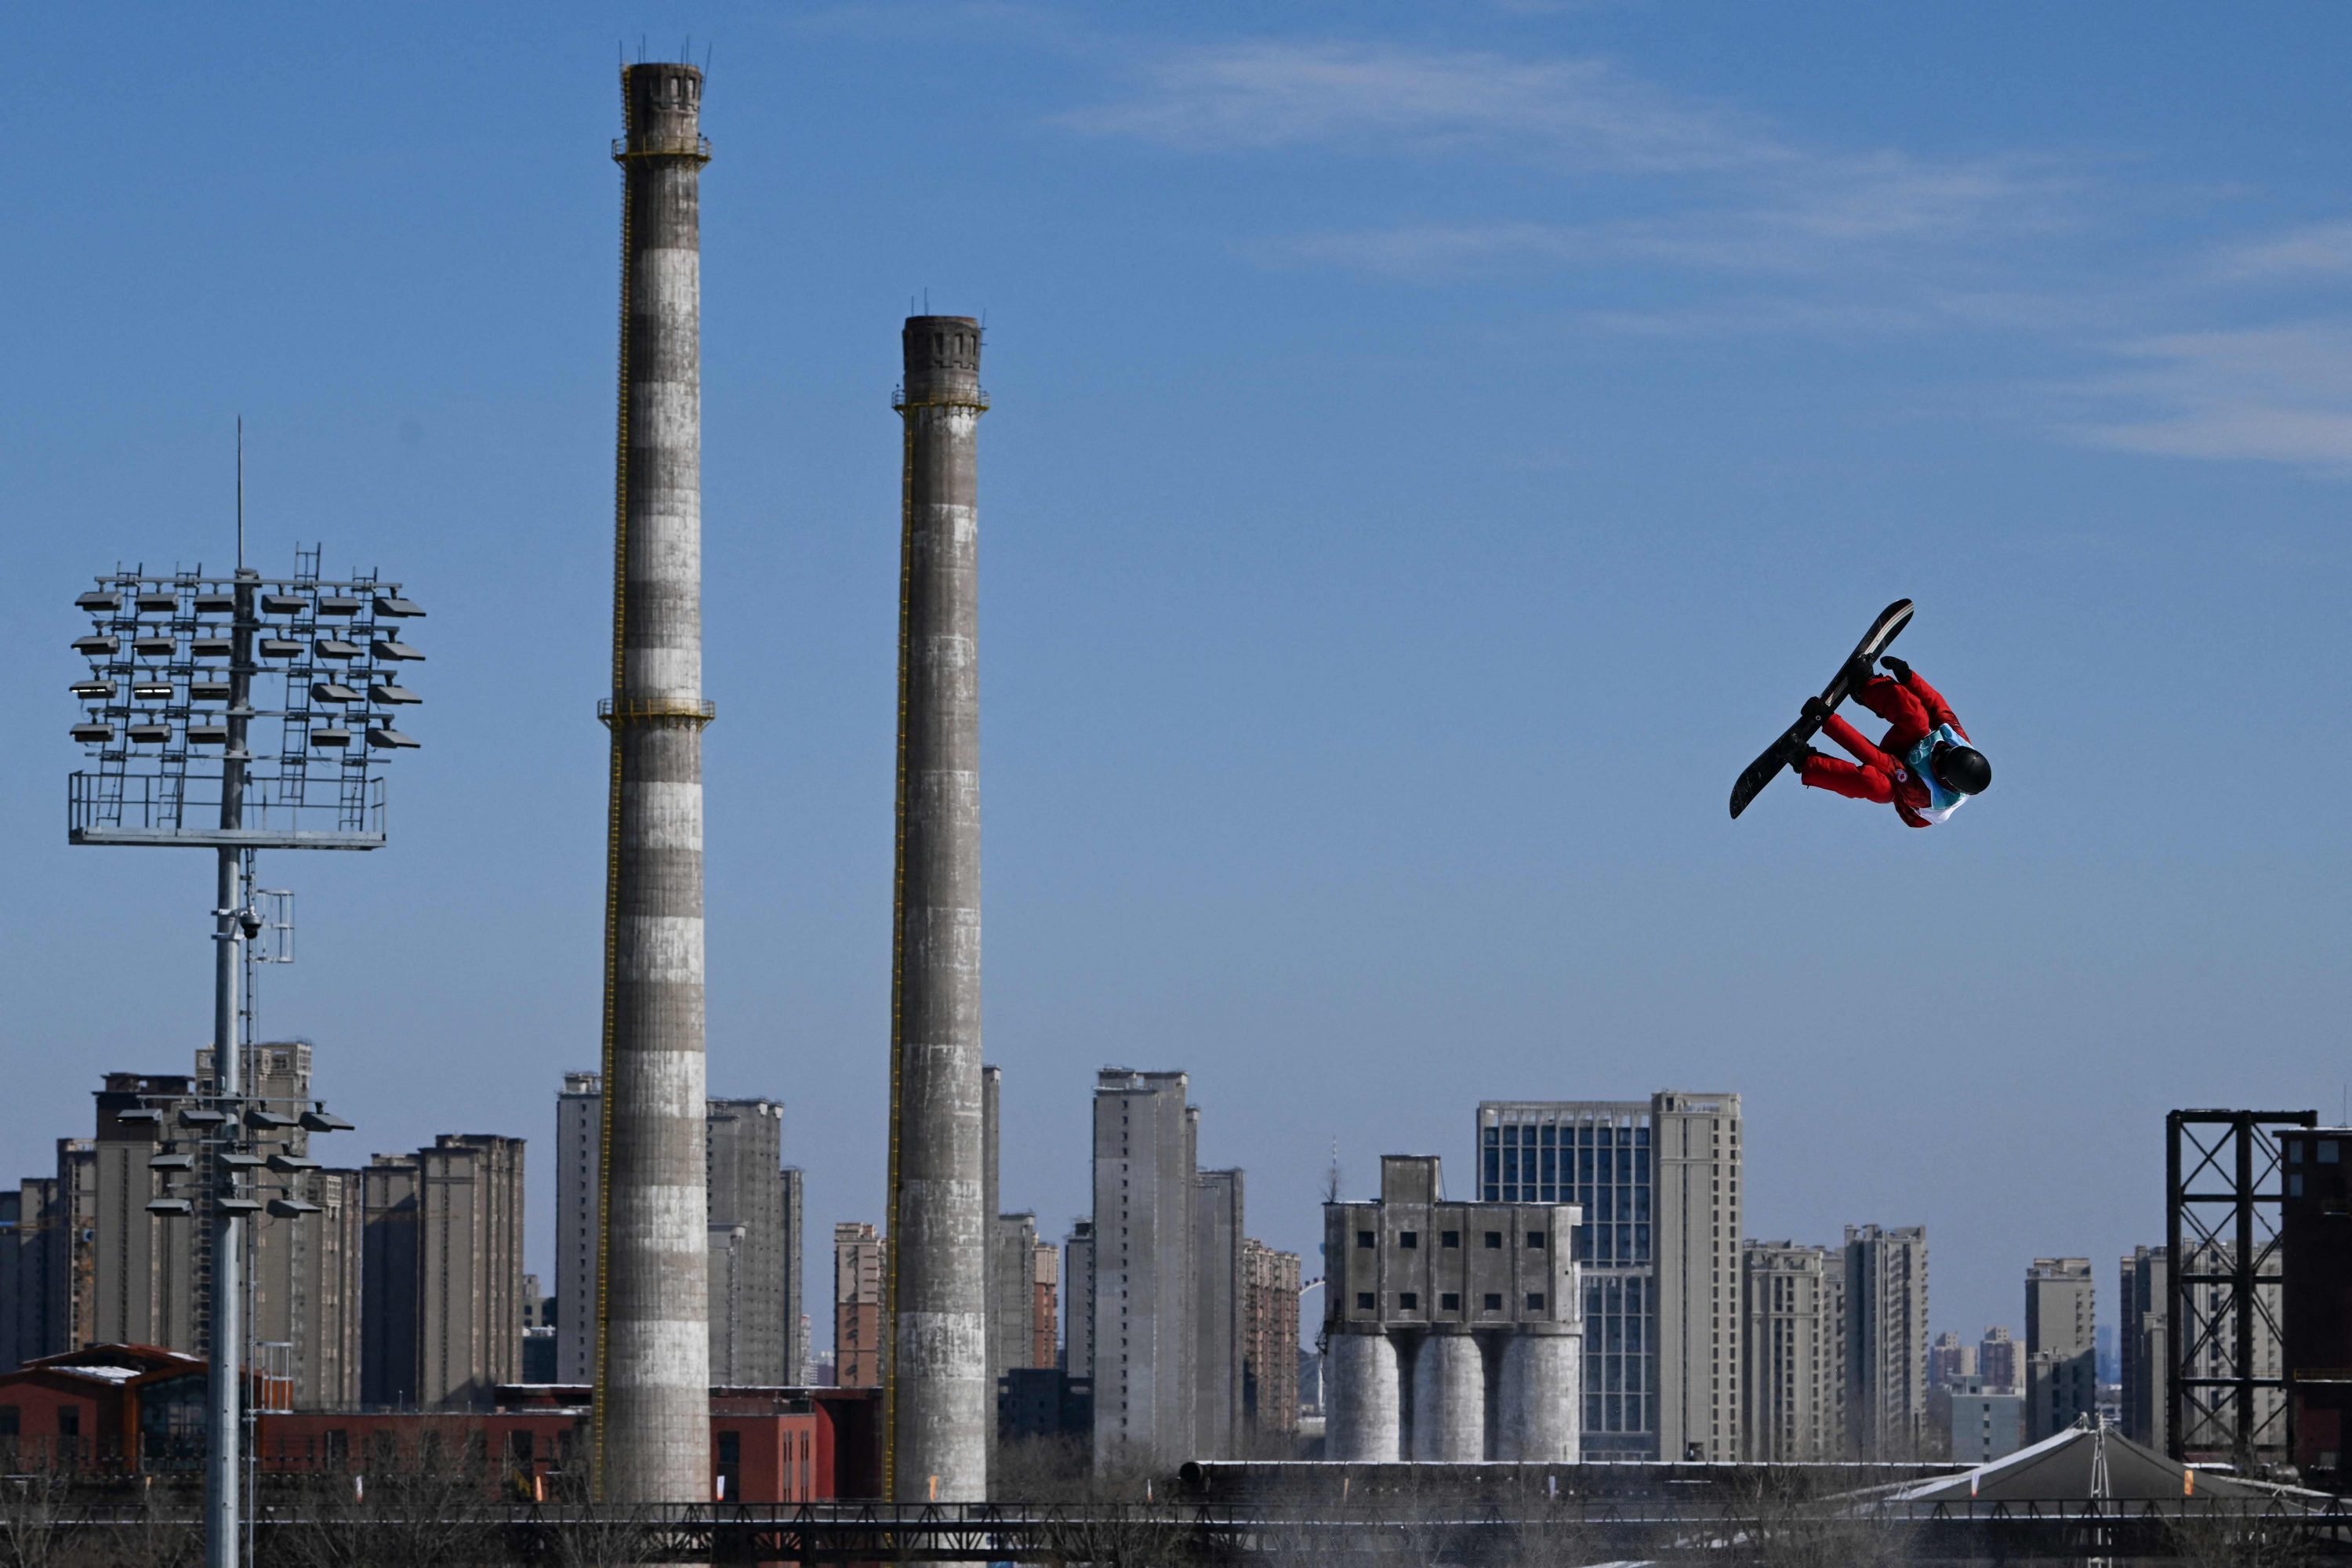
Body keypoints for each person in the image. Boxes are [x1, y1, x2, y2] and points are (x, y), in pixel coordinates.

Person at [1784, 655, 1990, 827]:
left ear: (1944, 777)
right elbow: (1938, 707)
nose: (1939, 751)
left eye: (1941, 760)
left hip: (1902, 792)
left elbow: (1877, 758)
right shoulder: (1957, 739)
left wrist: (1827, 719)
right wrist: (1909, 677)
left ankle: (1806, 762)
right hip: (1910, 754)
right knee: (1917, 719)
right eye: (1946, 750)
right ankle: (1866, 687)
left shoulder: (1925, 793)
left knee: (1877, 784)